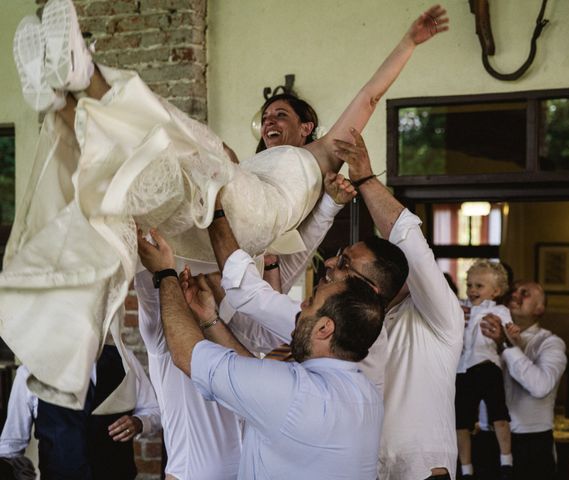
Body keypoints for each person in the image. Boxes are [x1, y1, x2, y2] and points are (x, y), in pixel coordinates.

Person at [1, 0, 448, 410]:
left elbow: (369, 96)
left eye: (282, 115)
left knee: (198, 155)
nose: (270, 120)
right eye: (266, 116)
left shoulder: (326, 151)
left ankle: (87, 78)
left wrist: (409, 42)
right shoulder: (249, 164)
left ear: (308, 126)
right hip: (222, 219)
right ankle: (65, 97)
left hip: (253, 216)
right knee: (156, 176)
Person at [137, 223, 386, 479]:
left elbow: (186, 355)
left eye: (310, 304)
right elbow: (255, 374)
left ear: (324, 328)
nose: (300, 306)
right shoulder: (366, 395)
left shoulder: (295, 393)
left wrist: (165, 272)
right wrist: (211, 320)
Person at [331, 130, 464, 479]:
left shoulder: (439, 317)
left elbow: (411, 243)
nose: (333, 268)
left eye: (346, 263)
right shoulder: (354, 322)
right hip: (364, 467)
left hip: (420, 469)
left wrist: (364, 179)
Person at [0, 348, 161, 480]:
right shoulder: (30, 371)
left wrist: (139, 422)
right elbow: (11, 446)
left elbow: (153, 410)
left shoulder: (124, 359)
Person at [478, 281, 567, 480]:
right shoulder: (485, 336)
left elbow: (540, 386)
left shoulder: (550, 343)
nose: (515, 295)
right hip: (488, 437)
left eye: (524, 293)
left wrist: (505, 345)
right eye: (514, 291)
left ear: (539, 308)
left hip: (531, 443)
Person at [455, 260, 513, 479]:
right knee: (461, 421)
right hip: (463, 369)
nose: (472, 290)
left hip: (487, 365)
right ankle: (466, 467)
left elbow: (507, 333)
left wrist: (510, 331)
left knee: (499, 413)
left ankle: (506, 459)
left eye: (479, 286)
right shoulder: (462, 307)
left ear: (496, 291)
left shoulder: (499, 310)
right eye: (469, 285)